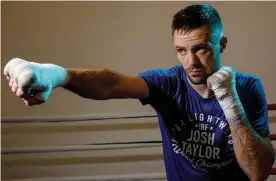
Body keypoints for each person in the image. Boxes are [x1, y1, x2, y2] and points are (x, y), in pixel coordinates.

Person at [3, 4, 275, 181]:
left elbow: (257, 172)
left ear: (221, 44)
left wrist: (230, 100)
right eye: (181, 50)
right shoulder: (168, 83)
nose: (190, 62)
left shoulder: (248, 89)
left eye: (201, 49)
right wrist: (59, 75)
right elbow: (111, 83)